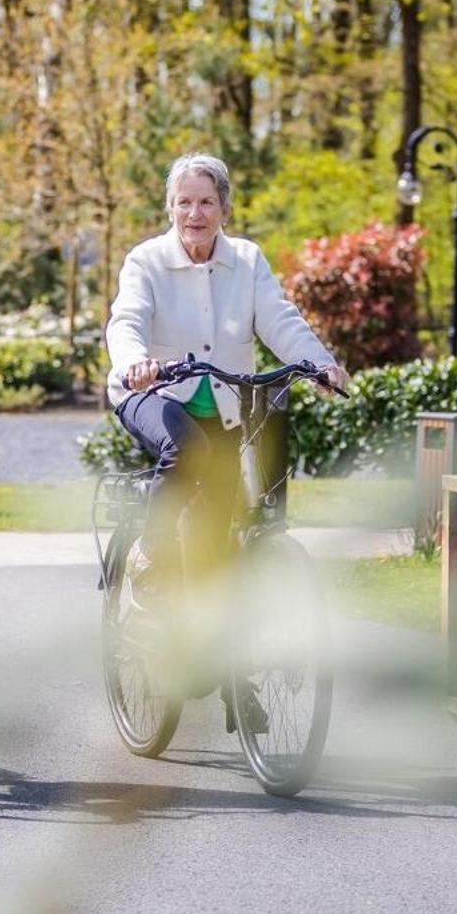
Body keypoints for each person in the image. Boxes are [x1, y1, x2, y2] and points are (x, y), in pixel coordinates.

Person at [104, 153, 349, 726]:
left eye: (206, 201)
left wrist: (319, 363)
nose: (195, 212)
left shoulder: (246, 260)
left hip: (229, 406)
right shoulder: (147, 260)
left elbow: (280, 319)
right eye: (184, 202)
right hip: (153, 394)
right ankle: (150, 557)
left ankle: (228, 674)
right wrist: (136, 362)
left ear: (224, 207)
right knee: (187, 448)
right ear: (170, 207)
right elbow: (127, 321)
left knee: (230, 534)